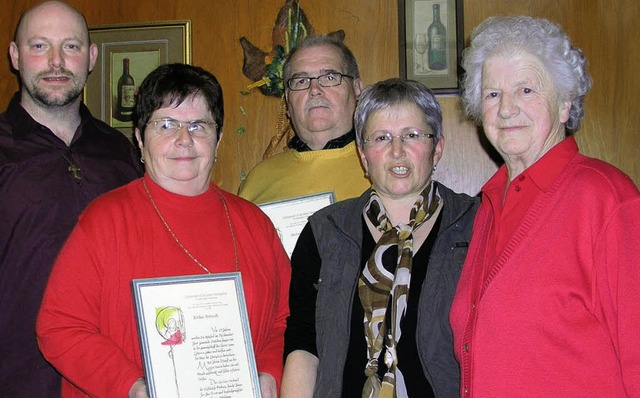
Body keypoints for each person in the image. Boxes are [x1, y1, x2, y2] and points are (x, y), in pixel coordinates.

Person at [36, 63, 290, 398]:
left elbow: (284, 319)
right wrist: (132, 387)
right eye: (166, 125)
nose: (184, 140)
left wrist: (269, 370)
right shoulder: (104, 221)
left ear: (218, 139)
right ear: (140, 139)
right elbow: (60, 327)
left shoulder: (255, 224)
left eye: (199, 126)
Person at [450, 16, 640, 396]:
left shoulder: (606, 199)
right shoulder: (488, 207)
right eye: (492, 94)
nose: (506, 110)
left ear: (565, 103)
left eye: (525, 90)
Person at [281, 78, 479, 397]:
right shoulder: (324, 232)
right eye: (381, 138)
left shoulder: (476, 225)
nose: (397, 151)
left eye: (412, 135)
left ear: (437, 147)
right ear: (363, 154)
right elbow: (303, 345)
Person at [0, 1, 142, 396]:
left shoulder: (124, 152)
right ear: (15, 56)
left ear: (92, 57)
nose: (57, 62)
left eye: (72, 47)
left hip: (117, 380)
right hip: (19, 379)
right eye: (40, 46)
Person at [238, 34, 370, 204]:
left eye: (329, 77)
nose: (314, 89)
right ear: (287, 99)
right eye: (301, 81)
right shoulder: (257, 181)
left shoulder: (384, 167)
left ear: (357, 88)